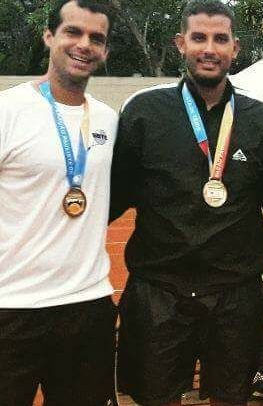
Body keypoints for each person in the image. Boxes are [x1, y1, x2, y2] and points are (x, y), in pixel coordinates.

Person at [109, 1, 263, 405]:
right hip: (159, 292)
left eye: (220, 39)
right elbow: (111, 198)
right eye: (199, 38)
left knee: (233, 398)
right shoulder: (143, 112)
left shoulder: (259, 118)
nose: (209, 49)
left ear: (235, 48)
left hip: (235, 296)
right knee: (154, 399)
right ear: (181, 43)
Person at [0, 0, 117, 405]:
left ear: (105, 51)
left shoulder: (108, 120)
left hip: (87, 305)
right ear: (49, 36)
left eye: (96, 38)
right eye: (73, 32)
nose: (84, 44)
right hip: (11, 306)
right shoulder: (7, 111)